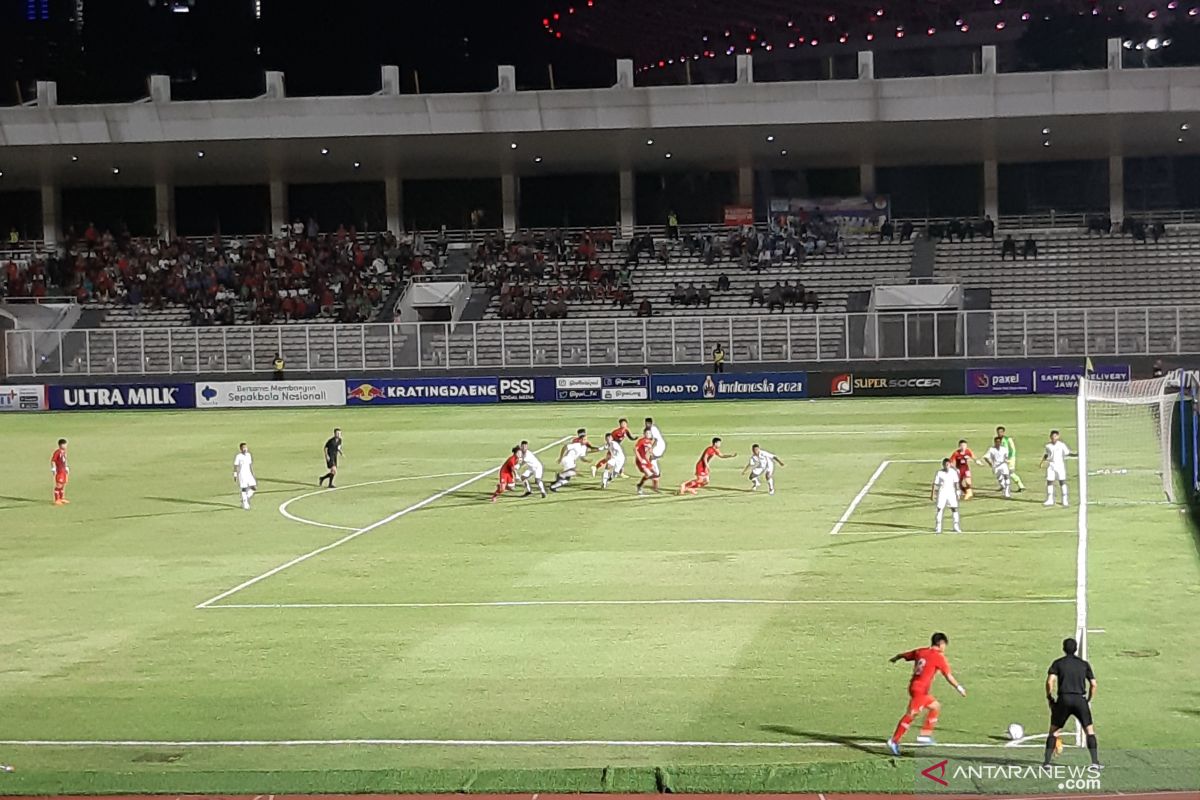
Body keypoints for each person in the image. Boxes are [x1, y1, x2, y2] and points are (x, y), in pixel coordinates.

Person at [886, 632, 967, 755]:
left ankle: (925, 735)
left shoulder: (921, 651)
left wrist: (896, 658)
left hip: (914, 686)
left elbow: (905, 655)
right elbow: (948, 675)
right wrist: (959, 687)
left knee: (935, 706)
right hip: (921, 690)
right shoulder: (938, 657)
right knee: (911, 714)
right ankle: (894, 740)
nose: (945, 648)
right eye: (945, 645)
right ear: (941, 644)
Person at [1044, 637, 1100, 768]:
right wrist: (1089, 699)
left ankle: (1047, 762)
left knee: (1053, 732)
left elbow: (1049, 681)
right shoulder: (1084, 664)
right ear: (1076, 649)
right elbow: (1093, 684)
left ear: (1063, 649)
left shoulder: (1058, 663)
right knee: (1089, 731)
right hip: (1080, 700)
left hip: (1064, 699)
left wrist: (1049, 697)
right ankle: (1095, 762)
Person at [1040, 429, 1072, 507]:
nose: (1053, 438)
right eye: (1052, 436)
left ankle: (1064, 499)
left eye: (1055, 436)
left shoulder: (1061, 445)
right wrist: (1042, 462)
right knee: (1049, 481)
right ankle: (1050, 499)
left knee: (1062, 481)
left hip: (1060, 465)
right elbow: (1047, 454)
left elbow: (1067, 453)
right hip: (1051, 465)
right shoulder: (1048, 446)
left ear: (1058, 436)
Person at [932, 458, 962, 534]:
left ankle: (956, 527)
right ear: (943, 465)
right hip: (942, 493)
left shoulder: (953, 472)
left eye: (948, 464)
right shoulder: (939, 473)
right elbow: (935, 484)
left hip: (951, 493)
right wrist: (933, 494)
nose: (947, 466)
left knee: (954, 509)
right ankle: (938, 527)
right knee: (939, 509)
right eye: (946, 465)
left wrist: (958, 492)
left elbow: (956, 483)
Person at [995, 425, 1025, 492]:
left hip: (1009, 459)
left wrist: (1009, 458)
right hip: (1001, 459)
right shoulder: (997, 440)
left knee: (1010, 473)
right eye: (998, 432)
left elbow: (1012, 450)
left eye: (1000, 432)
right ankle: (1003, 485)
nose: (999, 433)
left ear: (1003, 432)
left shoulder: (1008, 439)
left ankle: (1021, 486)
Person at [634, 426, 661, 496]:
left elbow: (649, 450)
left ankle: (652, 488)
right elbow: (635, 449)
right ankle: (639, 488)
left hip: (646, 460)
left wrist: (652, 456)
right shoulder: (641, 441)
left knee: (656, 473)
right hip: (640, 461)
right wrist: (640, 459)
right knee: (650, 474)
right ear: (644, 433)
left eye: (649, 433)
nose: (648, 434)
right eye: (647, 433)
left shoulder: (649, 441)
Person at [233, 442, 257, 510]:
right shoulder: (238, 456)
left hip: (249, 474)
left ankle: (245, 498)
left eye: (246, 447)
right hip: (242, 474)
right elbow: (235, 466)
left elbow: (250, 465)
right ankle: (245, 503)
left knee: (254, 488)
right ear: (240, 449)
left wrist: (253, 473)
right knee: (244, 488)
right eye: (243, 448)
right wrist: (235, 475)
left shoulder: (249, 455)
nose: (245, 449)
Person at [50, 438, 69, 506]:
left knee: (63, 484)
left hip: (63, 471)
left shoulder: (64, 452)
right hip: (59, 471)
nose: (66, 446)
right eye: (65, 444)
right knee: (59, 485)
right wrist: (53, 469)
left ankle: (61, 498)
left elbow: (65, 460)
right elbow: (53, 460)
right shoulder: (57, 452)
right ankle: (56, 500)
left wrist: (67, 467)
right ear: (61, 445)